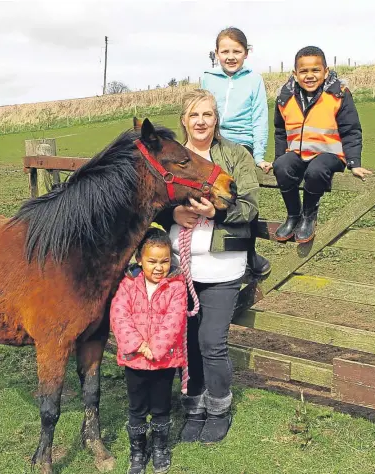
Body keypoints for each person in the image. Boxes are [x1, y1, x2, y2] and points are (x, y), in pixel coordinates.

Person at [155, 89, 259, 444]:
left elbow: (250, 206)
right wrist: (173, 213)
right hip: (179, 269)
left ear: (217, 119)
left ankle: (219, 408)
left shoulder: (234, 156)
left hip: (221, 267)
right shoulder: (171, 157)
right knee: (186, 341)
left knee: (211, 342)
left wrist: (217, 213)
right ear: (184, 120)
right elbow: (151, 200)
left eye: (208, 115)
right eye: (194, 115)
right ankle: (194, 407)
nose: (201, 122)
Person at [273, 46, 373, 243]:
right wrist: (278, 158)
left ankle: (309, 215)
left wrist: (354, 162)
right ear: (295, 74)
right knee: (281, 167)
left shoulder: (339, 94)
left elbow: (351, 129)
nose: (309, 76)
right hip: (298, 153)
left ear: (326, 72)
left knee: (316, 170)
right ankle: (294, 214)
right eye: (303, 71)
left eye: (315, 70)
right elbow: (280, 131)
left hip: (330, 155)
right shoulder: (285, 97)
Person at [110, 228, 187, 474]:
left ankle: (160, 448)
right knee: (137, 408)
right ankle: (138, 450)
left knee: (161, 407)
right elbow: (119, 315)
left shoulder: (176, 287)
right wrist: (138, 345)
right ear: (139, 260)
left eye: (164, 261)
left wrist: (156, 347)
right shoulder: (128, 285)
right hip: (135, 362)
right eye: (152, 261)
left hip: (164, 361)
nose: (158, 267)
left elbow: (174, 320)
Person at [201, 26, 271, 277]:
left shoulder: (254, 80)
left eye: (236, 51)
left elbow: (259, 118)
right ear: (217, 53)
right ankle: (199, 248)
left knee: (241, 192)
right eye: (225, 51)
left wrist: (259, 155)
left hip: (242, 144)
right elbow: (200, 109)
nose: (230, 56)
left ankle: (247, 252)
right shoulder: (208, 77)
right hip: (213, 140)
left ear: (246, 53)